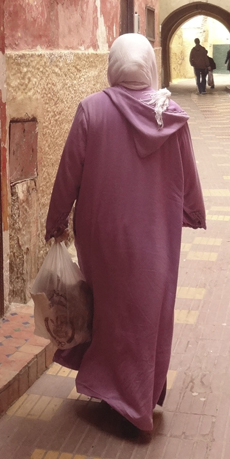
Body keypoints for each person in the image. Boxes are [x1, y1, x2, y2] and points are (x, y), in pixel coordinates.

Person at [45, 33, 206, 432]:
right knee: (150, 313)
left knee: (112, 312)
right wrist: (191, 212)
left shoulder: (91, 110)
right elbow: (187, 173)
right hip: (157, 237)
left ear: (114, 66)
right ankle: (139, 395)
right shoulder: (169, 112)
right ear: (149, 65)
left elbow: (69, 173)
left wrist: (56, 221)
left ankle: (116, 391)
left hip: (102, 238)